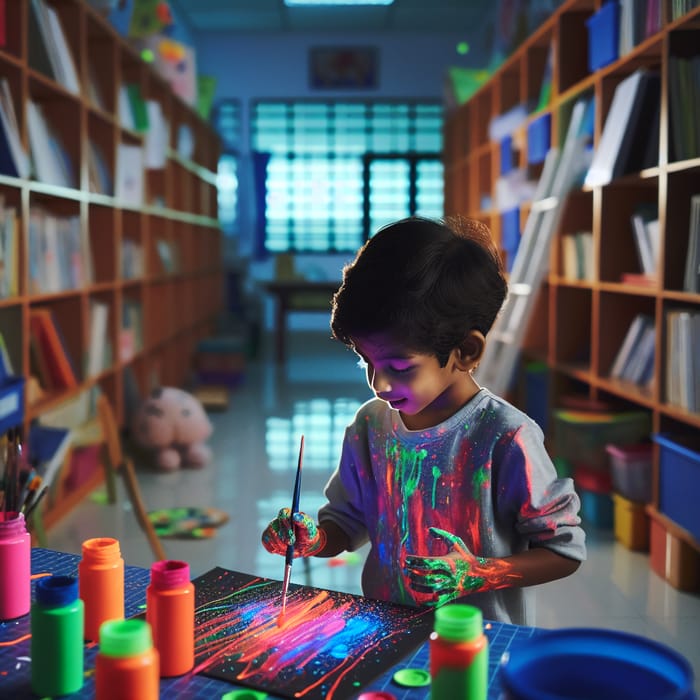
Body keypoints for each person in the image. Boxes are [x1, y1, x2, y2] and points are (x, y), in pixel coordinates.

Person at [262, 216, 586, 625]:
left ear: (466, 351)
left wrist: (479, 573)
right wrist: (314, 538)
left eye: (399, 366)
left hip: (475, 643)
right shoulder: (371, 426)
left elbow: (563, 550)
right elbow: (345, 521)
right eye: (367, 361)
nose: (378, 383)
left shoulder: (506, 437)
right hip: (386, 630)